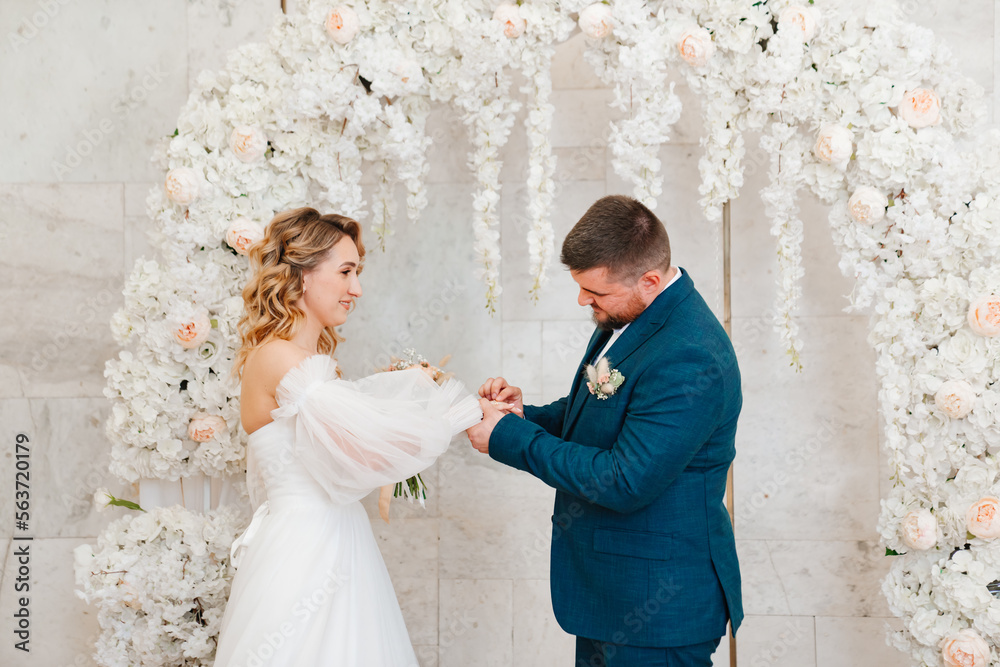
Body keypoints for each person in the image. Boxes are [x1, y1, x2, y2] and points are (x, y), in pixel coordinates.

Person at [467, 195, 743, 667]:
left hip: (657, 610)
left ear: (649, 281)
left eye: (595, 291)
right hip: (615, 596)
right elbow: (605, 416)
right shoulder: (635, 314)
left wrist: (507, 439)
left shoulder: (690, 355)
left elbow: (625, 479)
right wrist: (523, 416)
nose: (583, 300)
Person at [214, 207, 481, 666]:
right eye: (345, 272)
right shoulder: (281, 359)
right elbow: (364, 452)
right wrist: (464, 412)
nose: (357, 289)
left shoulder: (306, 363)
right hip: (307, 551)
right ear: (302, 276)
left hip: (332, 540)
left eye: (357, 272)